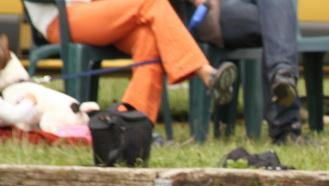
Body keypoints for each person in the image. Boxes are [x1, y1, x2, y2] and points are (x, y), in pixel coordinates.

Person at [23, 0, 238, 126]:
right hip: (61, 18)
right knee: (152, 2)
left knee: (149, 38)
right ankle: (206, 73)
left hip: (103, 11)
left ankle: (132, 124)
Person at [193, 0, 303, 144]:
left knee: (277, 17)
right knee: (278, 23)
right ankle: (286, 127)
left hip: (251, 8)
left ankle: (282, 72)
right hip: (213, 11)